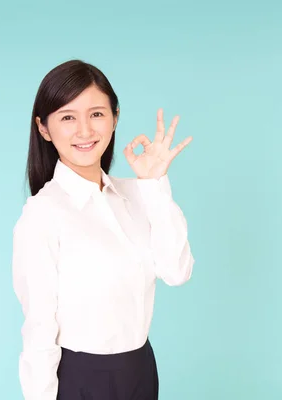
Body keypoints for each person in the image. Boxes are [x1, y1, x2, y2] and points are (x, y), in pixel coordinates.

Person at [11, 59, 195, 400]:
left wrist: (154, 184)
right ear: (44, 128)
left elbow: (177, 271)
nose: (85, 130)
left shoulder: (138, 195)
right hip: (81, 379)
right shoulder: (43, 214)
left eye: (96, 114)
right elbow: (39, 329)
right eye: (68, 117)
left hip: (141, 369)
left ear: (115, 117)